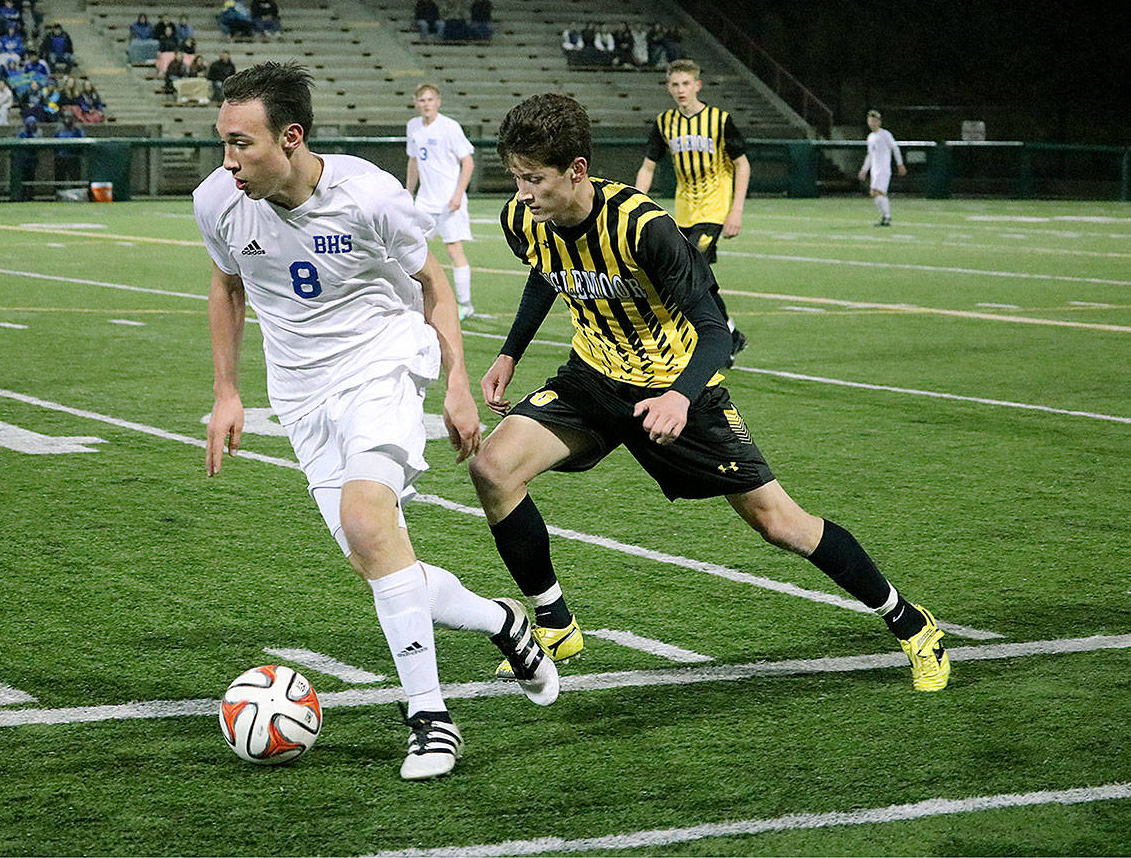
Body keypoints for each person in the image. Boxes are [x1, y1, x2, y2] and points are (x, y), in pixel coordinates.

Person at [467, 92, 950, 695]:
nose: (523, 193)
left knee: (782, 524)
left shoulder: (645, 228)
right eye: (516, 178)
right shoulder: (522, 219)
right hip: (591, 380)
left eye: (534, 179)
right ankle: (554, 621)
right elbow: (546, 271)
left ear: (578, 171)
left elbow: (718, 331)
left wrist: (679, 396)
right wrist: (509, 353)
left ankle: (909, 621)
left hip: (677, 389)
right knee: (493, 468)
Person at [195, 62, 559, 780]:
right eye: (224, 143)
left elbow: (432, 285)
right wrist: (228, 390)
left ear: (291, 137)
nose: (229, 161)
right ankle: (503, 624)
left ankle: (430, 719)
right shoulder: (218, 202)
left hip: (383, 364)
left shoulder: (369, 196)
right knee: (378, 557)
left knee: (367, 520)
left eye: (243, 144)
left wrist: (456, 381)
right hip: (301, 396)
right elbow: (227, 285)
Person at [635, 59, 749, 366]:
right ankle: (729, 334)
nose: (680, 90)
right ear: (668, 88)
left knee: (691, 268)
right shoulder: (664, 123)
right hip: (683, 210)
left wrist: (735, 211)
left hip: (714, 207)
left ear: (697, 85)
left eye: (686, 84)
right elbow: (648, 166)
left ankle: (719, 338)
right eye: (675, 84)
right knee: (687, 275)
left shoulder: (719, 120)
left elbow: (742, 163)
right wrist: (635, 203)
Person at [405, 83, 476, 319]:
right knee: (410, 246)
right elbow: (413, 161)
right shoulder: (413, 127)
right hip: (425, 201)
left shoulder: (449, 127)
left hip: (448, 201)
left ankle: (465, 304)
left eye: (430, 100)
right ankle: (412, 299)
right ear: (416, 103)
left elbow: (468, 162)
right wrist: (408, 191)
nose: (426, 104)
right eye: (422, 100)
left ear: (438, 102)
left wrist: (458, 194)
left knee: (454, 250)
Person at [859, 110, 906, 227]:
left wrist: (900, 164)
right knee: (874, 193)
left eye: (875, 121)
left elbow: (895, 148)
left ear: (879, 122)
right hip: (875, 170)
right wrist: (864, 169)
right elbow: (870, 155)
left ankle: (887, 217)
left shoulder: (885, 134)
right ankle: (885, 217)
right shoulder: (870, 137)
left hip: (883, 169)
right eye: (870, 121)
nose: (872, 123)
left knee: (878, 192)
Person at [15, 113, 40, 199]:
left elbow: (38, 141)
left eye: (33, 123)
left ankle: (30, 195)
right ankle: (22, 195)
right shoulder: (22, 132)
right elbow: (17, 142)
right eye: (30, 123)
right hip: (23, 159)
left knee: (31, 177)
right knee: (23, 178)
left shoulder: (38, 132)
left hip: (32, 159)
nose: (31, 125)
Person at [53, 114, 85, 181]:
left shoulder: (77, 130)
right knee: (60, 177)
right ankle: (59, 189)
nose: (67, 120)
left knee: (75, 177)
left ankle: (76, 190)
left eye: (69, 118)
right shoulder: (59, 130)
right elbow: (54, 142)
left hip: (74, 157)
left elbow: (83, 139)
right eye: (66, 118)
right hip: (61, 157)